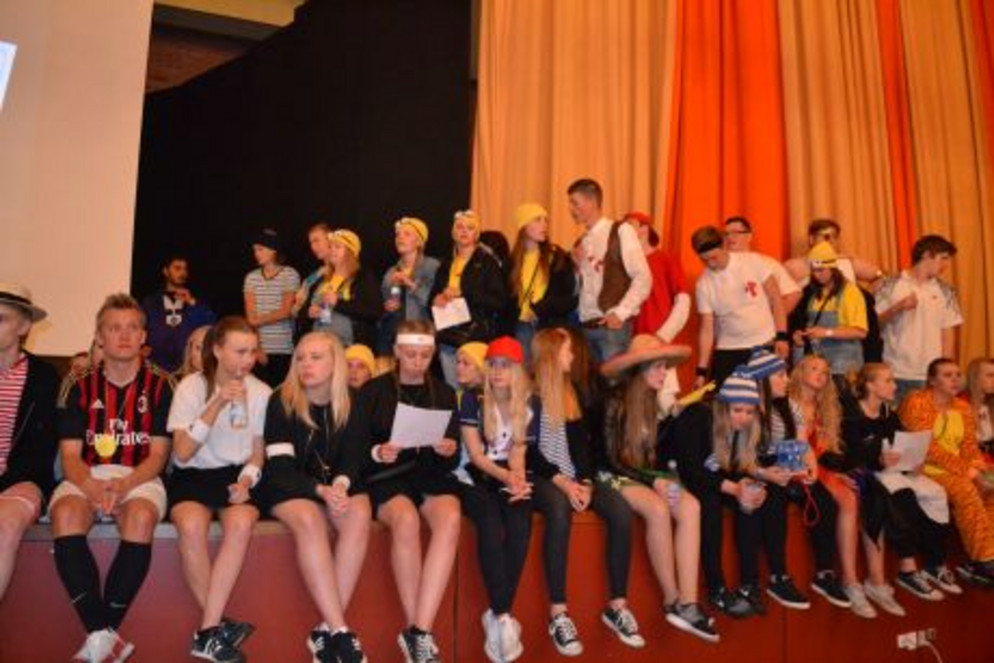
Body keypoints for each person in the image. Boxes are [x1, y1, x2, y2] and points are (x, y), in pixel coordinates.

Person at [50, 294, 174, 662]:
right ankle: (104, 635)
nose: (124, 335)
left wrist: (124, 485)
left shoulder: (163, 384)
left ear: (143, 336)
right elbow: (70, 457)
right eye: (114, 328)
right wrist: (90, 486)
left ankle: (99, 638)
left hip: (140, 475)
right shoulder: (77, 383)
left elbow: (158, 456)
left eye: (132, 327)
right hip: (86, 473)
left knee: (141, 517)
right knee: (65, 514)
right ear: (99, 336)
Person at [529, 328, 647, 654]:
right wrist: (562, 481)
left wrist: (586, 482)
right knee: (558, 511)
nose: (572, 356)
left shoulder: (573, 392)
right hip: (542, 477)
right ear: (552, 354)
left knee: (620, 510)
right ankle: (558, 613)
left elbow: (583, 448)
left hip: (573, 477)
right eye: (567, 351)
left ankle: (617, 607)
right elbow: (529, 453)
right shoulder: (528, 394)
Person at [352, 320, 461, 663]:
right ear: (397, 352)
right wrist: (378, 452)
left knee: (451, 515)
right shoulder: (372, 392)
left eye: (425, 355)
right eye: (411, 354)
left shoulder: (444, 393)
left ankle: (419, 631)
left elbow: (452, 456)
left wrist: (449, 449)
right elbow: (354, 450)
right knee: (406, 518)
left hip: (428, 475)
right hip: (387, 477)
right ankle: (418, 632)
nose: (417, 362)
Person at [598, 335, 718, 642]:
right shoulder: (613, 400)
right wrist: (655, 481)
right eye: (659, 366)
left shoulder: (651, 400)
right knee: (657, 508)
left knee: (690, 506)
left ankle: (689, 603)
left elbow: (654, 457)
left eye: (665, 366)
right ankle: (672, 599)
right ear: (641, 368)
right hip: (610, 474)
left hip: (642, 475)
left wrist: (668, 476)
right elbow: (611, 459)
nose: (665, 373)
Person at [260, 331, 369, 662]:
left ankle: (326, 630)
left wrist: (341, 485)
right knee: (309, 516)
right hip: (286, 487)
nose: (306, 364)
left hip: (329, 486)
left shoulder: (353, 400)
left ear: (336, 363)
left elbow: (354, 456)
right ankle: (341, 632)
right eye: (301, 358)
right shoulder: (281, 400)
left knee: (359, 510)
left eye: (316, 357)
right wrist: (320, 490)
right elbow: (280, 469)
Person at [167, 317, 270, 662]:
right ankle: (216, 629)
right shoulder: (191, 387)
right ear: (217, 350)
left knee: (240, 523)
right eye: (240, 351)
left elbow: (257, 452)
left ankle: (208, 631)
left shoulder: (261, 392)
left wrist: (247, 480)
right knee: (190, 525)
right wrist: (216, 404)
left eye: (252, 351)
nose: (248, 360)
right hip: (193, 474)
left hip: (235, 476)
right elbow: (182, 453)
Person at [673, 369, 802, 619]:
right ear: (723, 407)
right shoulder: (698, 416)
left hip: (709, 478)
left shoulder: (743, 429)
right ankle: (717, 588)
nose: (743, 417)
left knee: (758, 494)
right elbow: (691, 470)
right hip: (676, 477)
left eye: (749, 412)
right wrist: (734, 488)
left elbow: (734, 467)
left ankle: (750, 583)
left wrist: (751, 482)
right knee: (709, 503)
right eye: (737, 410)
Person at [842, 363, 951, 608]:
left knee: (937, 493)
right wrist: (877, 460)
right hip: (868, 474)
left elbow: (903, 445)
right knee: (903, 494)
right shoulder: (850, 415)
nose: (895, 385)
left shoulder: (889, 414)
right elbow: (848, 457)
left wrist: (914, 462)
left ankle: (934, 563)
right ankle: (907, 569)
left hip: (893, 470)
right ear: (870, 385)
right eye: (889, 380)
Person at [748, 348, 842, 610]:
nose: (787, 379)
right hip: (759, 468)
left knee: (826, 502)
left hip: (788, 465)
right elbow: (741, 455)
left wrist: (811, 469)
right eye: (780, 375)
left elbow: (802, 443)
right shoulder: (747, 406)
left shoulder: (789, 405)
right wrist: (768, 473)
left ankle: (824, 572)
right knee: (775, 500)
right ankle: (778, 576)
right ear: (762, 379)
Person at [458, 337, 533, 662]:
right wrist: (507, 478)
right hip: (475, 475)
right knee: (489, 524)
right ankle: (503, 616)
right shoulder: (472, 400)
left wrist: (518, 479)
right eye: (493, 365)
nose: (498, 371)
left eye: (506, 365)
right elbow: (476, 456)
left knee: (520, 525)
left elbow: (518, 452)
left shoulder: (529, 403)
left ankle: (498, 615)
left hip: (505, 473)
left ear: (518, 371)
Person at [900, 358, 994, 586]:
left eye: (957, 375)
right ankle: (985, 559)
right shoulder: (917, 401)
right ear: (932, 380)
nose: (955, 380)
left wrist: (981, 469)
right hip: (921, 467)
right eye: (947, 375)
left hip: (956, 468)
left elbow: (969, 446)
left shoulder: (962, 407)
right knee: (966, 491)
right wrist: (968, 471)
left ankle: (986, 553)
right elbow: (927, 448)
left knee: (991, 488)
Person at [771, 355, 854, 610]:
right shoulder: (786, 404)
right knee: (825, 500)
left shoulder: (826, 408)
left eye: (826, 371)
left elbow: (827, 451)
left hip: (812, 469)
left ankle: (828, 573)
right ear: (799, 372)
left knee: (837, 499)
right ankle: (788, 576)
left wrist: (828, 471)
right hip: (786, 468)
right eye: (815, 368)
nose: (821, 374)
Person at [0, 284, 59, 602]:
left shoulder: (44, 377)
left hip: (21, 480)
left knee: (6, 523)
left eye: (1, 319)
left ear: (23, 327)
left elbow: (42, 449)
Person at [691, 226, 789, 389]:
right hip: (728, 349)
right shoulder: (703, 284)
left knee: (768, 397)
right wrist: (701, 372)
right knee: (725, 401)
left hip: (764, 343)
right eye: (704, 260)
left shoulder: (753, 261)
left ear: (724, 245)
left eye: (714, 257)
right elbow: (707, 329)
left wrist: (782, 336)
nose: (711, 264)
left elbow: (776, 299)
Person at [568, 180, 650, 363]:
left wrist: (621, 312)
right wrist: (577, 269)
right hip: (585, 328)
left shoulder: (621, 231)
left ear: (591, 201)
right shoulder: (581, 242)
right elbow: (581, 290)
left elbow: (643, 277)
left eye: (575, 202)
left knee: (614, 379)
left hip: (612, 330)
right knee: (591, 381)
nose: (571, 209)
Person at [875, 235, 962, 404]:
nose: (946, 265)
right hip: (895, 372)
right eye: (943, 258)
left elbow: (948, 332)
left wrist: (945, 372)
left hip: (930, 376)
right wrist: (897, 308)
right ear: (926, 255)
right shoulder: (889, 284)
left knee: (930, 421)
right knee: (897, 420)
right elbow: (874, 325)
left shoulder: (947, 290)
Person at [431, 211, 508, 387]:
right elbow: (432, 298)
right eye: (459, 227)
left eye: (470, 228)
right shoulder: (445, 264)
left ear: (477, 235)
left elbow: (499, 301)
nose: (464, 231)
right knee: (453, 388)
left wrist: (464, 293)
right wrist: (435, 300)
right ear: (453, 232)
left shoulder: (488, 263)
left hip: (475, 336)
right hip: (448, 336)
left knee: (476, 388)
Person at [508, 203, 577, 360]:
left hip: (549, 328)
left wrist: (540, 308)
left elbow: (570, 299)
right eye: (537, 220)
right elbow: (506, 299)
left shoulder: (558, 257)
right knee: (525, 372)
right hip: (521, 328)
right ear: (523, 226)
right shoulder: (512, 261)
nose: (544, 225)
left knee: (549, 372)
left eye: (546, 220)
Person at [789, 242, 868, 378]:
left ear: (832, 268)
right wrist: (802, 337)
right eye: (813, 270)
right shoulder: (813, 293)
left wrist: (826, 332)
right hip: (820, 367)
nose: (816, 275)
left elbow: (860, 332)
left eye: (821, 270)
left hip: (844, 370)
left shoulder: (850, 292)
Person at [244, 228, 301, 387]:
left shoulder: (289, 274)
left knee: (281, 394)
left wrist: (256, 320)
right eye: (255, 250)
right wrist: (257, 348)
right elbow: (250, 317)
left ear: (273, 250)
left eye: (260, 249)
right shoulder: (251, 278)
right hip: (259, 350)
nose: (256, 253)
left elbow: (286, 311)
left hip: (284, 348)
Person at [141, 255, 216, 373]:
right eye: (177, 268)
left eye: (185, 269)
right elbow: (138, 327)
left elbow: (210, 327)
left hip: (186, 368)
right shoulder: (150, 303)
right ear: (166, 271)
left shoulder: (194, 302)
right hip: (156, 368)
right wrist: (140, 347)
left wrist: (192, 302)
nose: (183, 273)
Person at [309, 229, 381, 348]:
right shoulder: (324, 279)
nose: (332, 250)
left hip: (349, 347)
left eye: (338, 247)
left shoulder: (363, 277)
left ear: (351, 252)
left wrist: (338, 303)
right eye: (330, 247)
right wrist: (312, 312)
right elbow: (311, 311)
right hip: (321, 343)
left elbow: (374, 312)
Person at [380, 217, 440, 354]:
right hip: (394, 335)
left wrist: (411, 284)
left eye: (407, 234)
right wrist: (388, 306)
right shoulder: (391, 271)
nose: (400, 238)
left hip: (422, 334)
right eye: (398, 234)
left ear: (419, 241)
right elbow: (384, 302)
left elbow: (435, 300)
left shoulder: (432, 266)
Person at [723, 216, 802, 314]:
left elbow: (793, 293)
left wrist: (776, 318)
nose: (730, 237)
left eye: (735, 233)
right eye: (726, 234)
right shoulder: (719, 267)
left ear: (749, 236)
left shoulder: (766, 263)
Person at [784, 218, 886, 290]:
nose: (832, 241)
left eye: (835, 237)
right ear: (811, 239)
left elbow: (880, 275)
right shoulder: (793, 266)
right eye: (827, 237)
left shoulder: (847, 262)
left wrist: (865, 298)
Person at [293, 222, 333, 332]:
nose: (313, 247)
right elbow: (296, 310)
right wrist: (307, 312)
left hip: (337, 334)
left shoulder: (345, 272)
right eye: (311, 243)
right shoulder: (313, 277)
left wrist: (323, 313)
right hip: (314, 333)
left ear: (331, 240)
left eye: (317, 240)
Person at [966, 357, 994, 456]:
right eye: (990, 375)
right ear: (975, 378)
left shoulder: (990, 405)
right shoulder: (960, 405)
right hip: (970, 459)